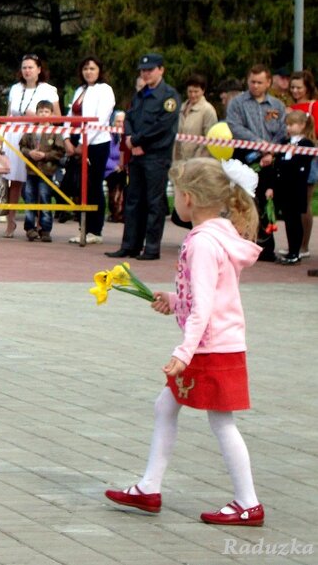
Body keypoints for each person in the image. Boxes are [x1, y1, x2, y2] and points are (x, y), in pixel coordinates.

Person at [105, 157, 264, 528]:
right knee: (166, 406)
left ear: (189, 198)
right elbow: (208, 296)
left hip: (209, 347)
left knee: (222, 422)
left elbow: (205, 306)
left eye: (176, 192)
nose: (173, 199)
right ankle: (149, 487)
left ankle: (247, 502)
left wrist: (182, 352)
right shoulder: (220, 233)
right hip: (217, 343)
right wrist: (175, 301)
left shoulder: (203, 243)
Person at [106, 53, 180, 261]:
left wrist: (138, 141)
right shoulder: (140, 94)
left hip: (156, 156)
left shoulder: (169, 96)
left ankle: (152, 248)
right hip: (137, 156)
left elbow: (163, 126)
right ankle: (130, 245)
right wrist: (129, 139)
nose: (146, 73)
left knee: (154, 203)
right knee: (133, 200)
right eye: (143, 70)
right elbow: (129, 118)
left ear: (161, 70)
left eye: (150, 70)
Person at [226, 64, 286, 262]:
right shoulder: (237, 103)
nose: (255, 86)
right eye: (252, 82)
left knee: (266, 202)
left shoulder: (276, 105)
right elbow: (235, 127)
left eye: (260, 82)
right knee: (244, 202)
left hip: (270, 160)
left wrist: (271, 150)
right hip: (245, 159)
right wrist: (258, 143)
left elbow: (282, 131)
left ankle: (265, 246)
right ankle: (242, 244)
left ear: (268, 82)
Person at [4, 54, 60, 238]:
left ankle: (38, 225)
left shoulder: (48, 89)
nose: (27, 70)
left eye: (30, 67)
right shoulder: (15, 88)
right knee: (14, 181)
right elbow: (8, 114)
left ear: (39, 69)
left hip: (38, 137)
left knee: (37, 179)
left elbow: (58, 117)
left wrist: (35, 117)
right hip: (14, 135)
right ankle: (10, 221)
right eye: (24, 67)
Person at [63, 56, 117, 245]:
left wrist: (84, 144)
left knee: (93, 185)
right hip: (77, 139)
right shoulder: (80, 90)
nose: (88, 72)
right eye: (85, 68)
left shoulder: (105, 90)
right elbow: (71, 115)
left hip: (96, 143)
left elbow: (101, 119)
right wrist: (67, 139)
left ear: (99, 70)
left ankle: (95, 229)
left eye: (92, 68)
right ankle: (83, 227)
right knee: (80, 186)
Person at [18, 100, 66, 242]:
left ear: (51, 114)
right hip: (31, 171)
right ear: (36, 113)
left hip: (47, 171)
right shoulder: (31, 130)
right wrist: (30, 153)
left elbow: (60, 151)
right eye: (40, 111)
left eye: (46, 111)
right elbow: (22, 146)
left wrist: (46, 156)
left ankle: (45, 229)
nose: (43, 114)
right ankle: (30, 228)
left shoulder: (55, 132)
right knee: (29, 198)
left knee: (45, 199)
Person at [271, 110, 315, 265]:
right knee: (288, 219)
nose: (288, 128)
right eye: (287, 125)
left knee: (295, 220)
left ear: (303, 125)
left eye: (292, 124)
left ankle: (296, 251)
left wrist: (285, 163)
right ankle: (291, 248)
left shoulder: (307, 144)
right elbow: (279, 162)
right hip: (284, 186)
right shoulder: (285, 141)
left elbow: (300, 164)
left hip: (296, 187)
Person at [287, 69, 318, 257]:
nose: (296, 91)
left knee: (305, 201)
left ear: (307, 87)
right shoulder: (289, 107)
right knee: (292, 201)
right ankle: (294, 243)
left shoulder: (314, 106)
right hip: (291, 157)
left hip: (309, 158)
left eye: (299, 87)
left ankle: (304, 245)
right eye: (293, 87)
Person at [174, 74, 218, 161]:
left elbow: (210, 139)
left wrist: (198, 160)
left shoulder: (208, 110)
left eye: (196, 91)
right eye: (190, 91)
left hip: (198, 161)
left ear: (203, 91)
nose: (193, 95)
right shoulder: (181, 108)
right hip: (178, 160)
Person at [105, 111, 128, 224]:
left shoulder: (127, 136)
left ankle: (122, 211)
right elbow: (104, 155)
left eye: (123, 122)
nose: (120, 124)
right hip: (110, 168)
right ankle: (115, 211)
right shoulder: (107, 136)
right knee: (117, 179)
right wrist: (115, 166)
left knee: (125, 179)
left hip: (124, 168)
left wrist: (124, 166)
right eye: (118, 121)